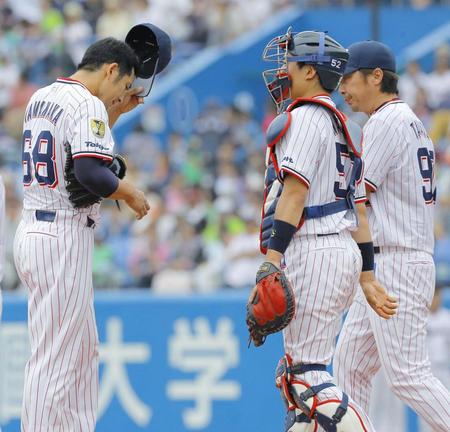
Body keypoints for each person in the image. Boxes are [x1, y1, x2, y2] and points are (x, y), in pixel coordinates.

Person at [14, 25, 171, 431]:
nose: (122, 94)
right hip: (60, 235)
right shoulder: (86, 104)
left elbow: (84, 158)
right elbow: (90, 173)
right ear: (111, 69)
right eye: (123, 84)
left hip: (38, 229)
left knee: (81, 352)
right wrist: (130, 193)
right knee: (55, 359)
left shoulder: (42, 96)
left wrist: (114, 112)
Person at [253, 29, 397, 431]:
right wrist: (366, 276)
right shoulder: (342, 126)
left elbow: (294, 194)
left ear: (310, 72)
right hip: (339, 250)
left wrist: (270, 262)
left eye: (290, 62)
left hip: (314, 248)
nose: (283, 70)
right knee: (296, 381)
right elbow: (361, 213)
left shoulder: (304, 118)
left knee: (308, 376)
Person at [334, 40, 450, 432]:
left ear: (376, 76)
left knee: (407, 375)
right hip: (387, 259)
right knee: (350, 364)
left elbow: (356, 193)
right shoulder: (409, 121)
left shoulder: (386, 120)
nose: (343, 87)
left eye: (349, 77)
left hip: (397, 261)